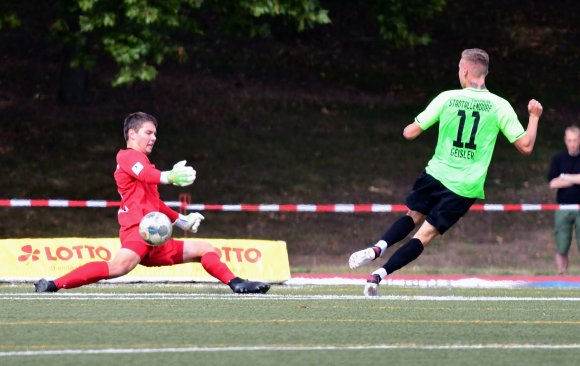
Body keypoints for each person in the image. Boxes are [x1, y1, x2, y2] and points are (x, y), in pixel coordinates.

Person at [348, 48, 544, 296]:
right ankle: (377, 276)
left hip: (436, 174)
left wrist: (414, 124)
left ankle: (378, 247)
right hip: (465, 186)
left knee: (413, 215)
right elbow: (526, 146)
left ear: (464, 70)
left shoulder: (447, 98)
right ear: (484, 73)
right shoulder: (499, 105)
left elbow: (410, 132)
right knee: (424, 236)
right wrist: (534, 116)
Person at [34, 112, 270, 294]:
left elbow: (155, 203)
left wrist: (182, 221)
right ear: (132, 134)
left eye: (155, 133)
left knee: (207, 249)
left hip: (156, 235)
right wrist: (170, 176)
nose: (154, 137)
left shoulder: (144, 163)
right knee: (118, 267)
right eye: (148, 132)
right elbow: (148, 175)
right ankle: (54, 283)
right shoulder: (126, 157)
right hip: (138, 231)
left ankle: (237, 283)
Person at [547, 125, 580, 274]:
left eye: (575, 140)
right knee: (562, 244)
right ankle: (562, 275)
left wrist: (564, 176)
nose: (573, 143)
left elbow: (559, 180)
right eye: (570, 140)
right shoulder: (558, 159)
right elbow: (552, 183)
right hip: (563, 208)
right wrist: (575, 178)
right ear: (565, 141)